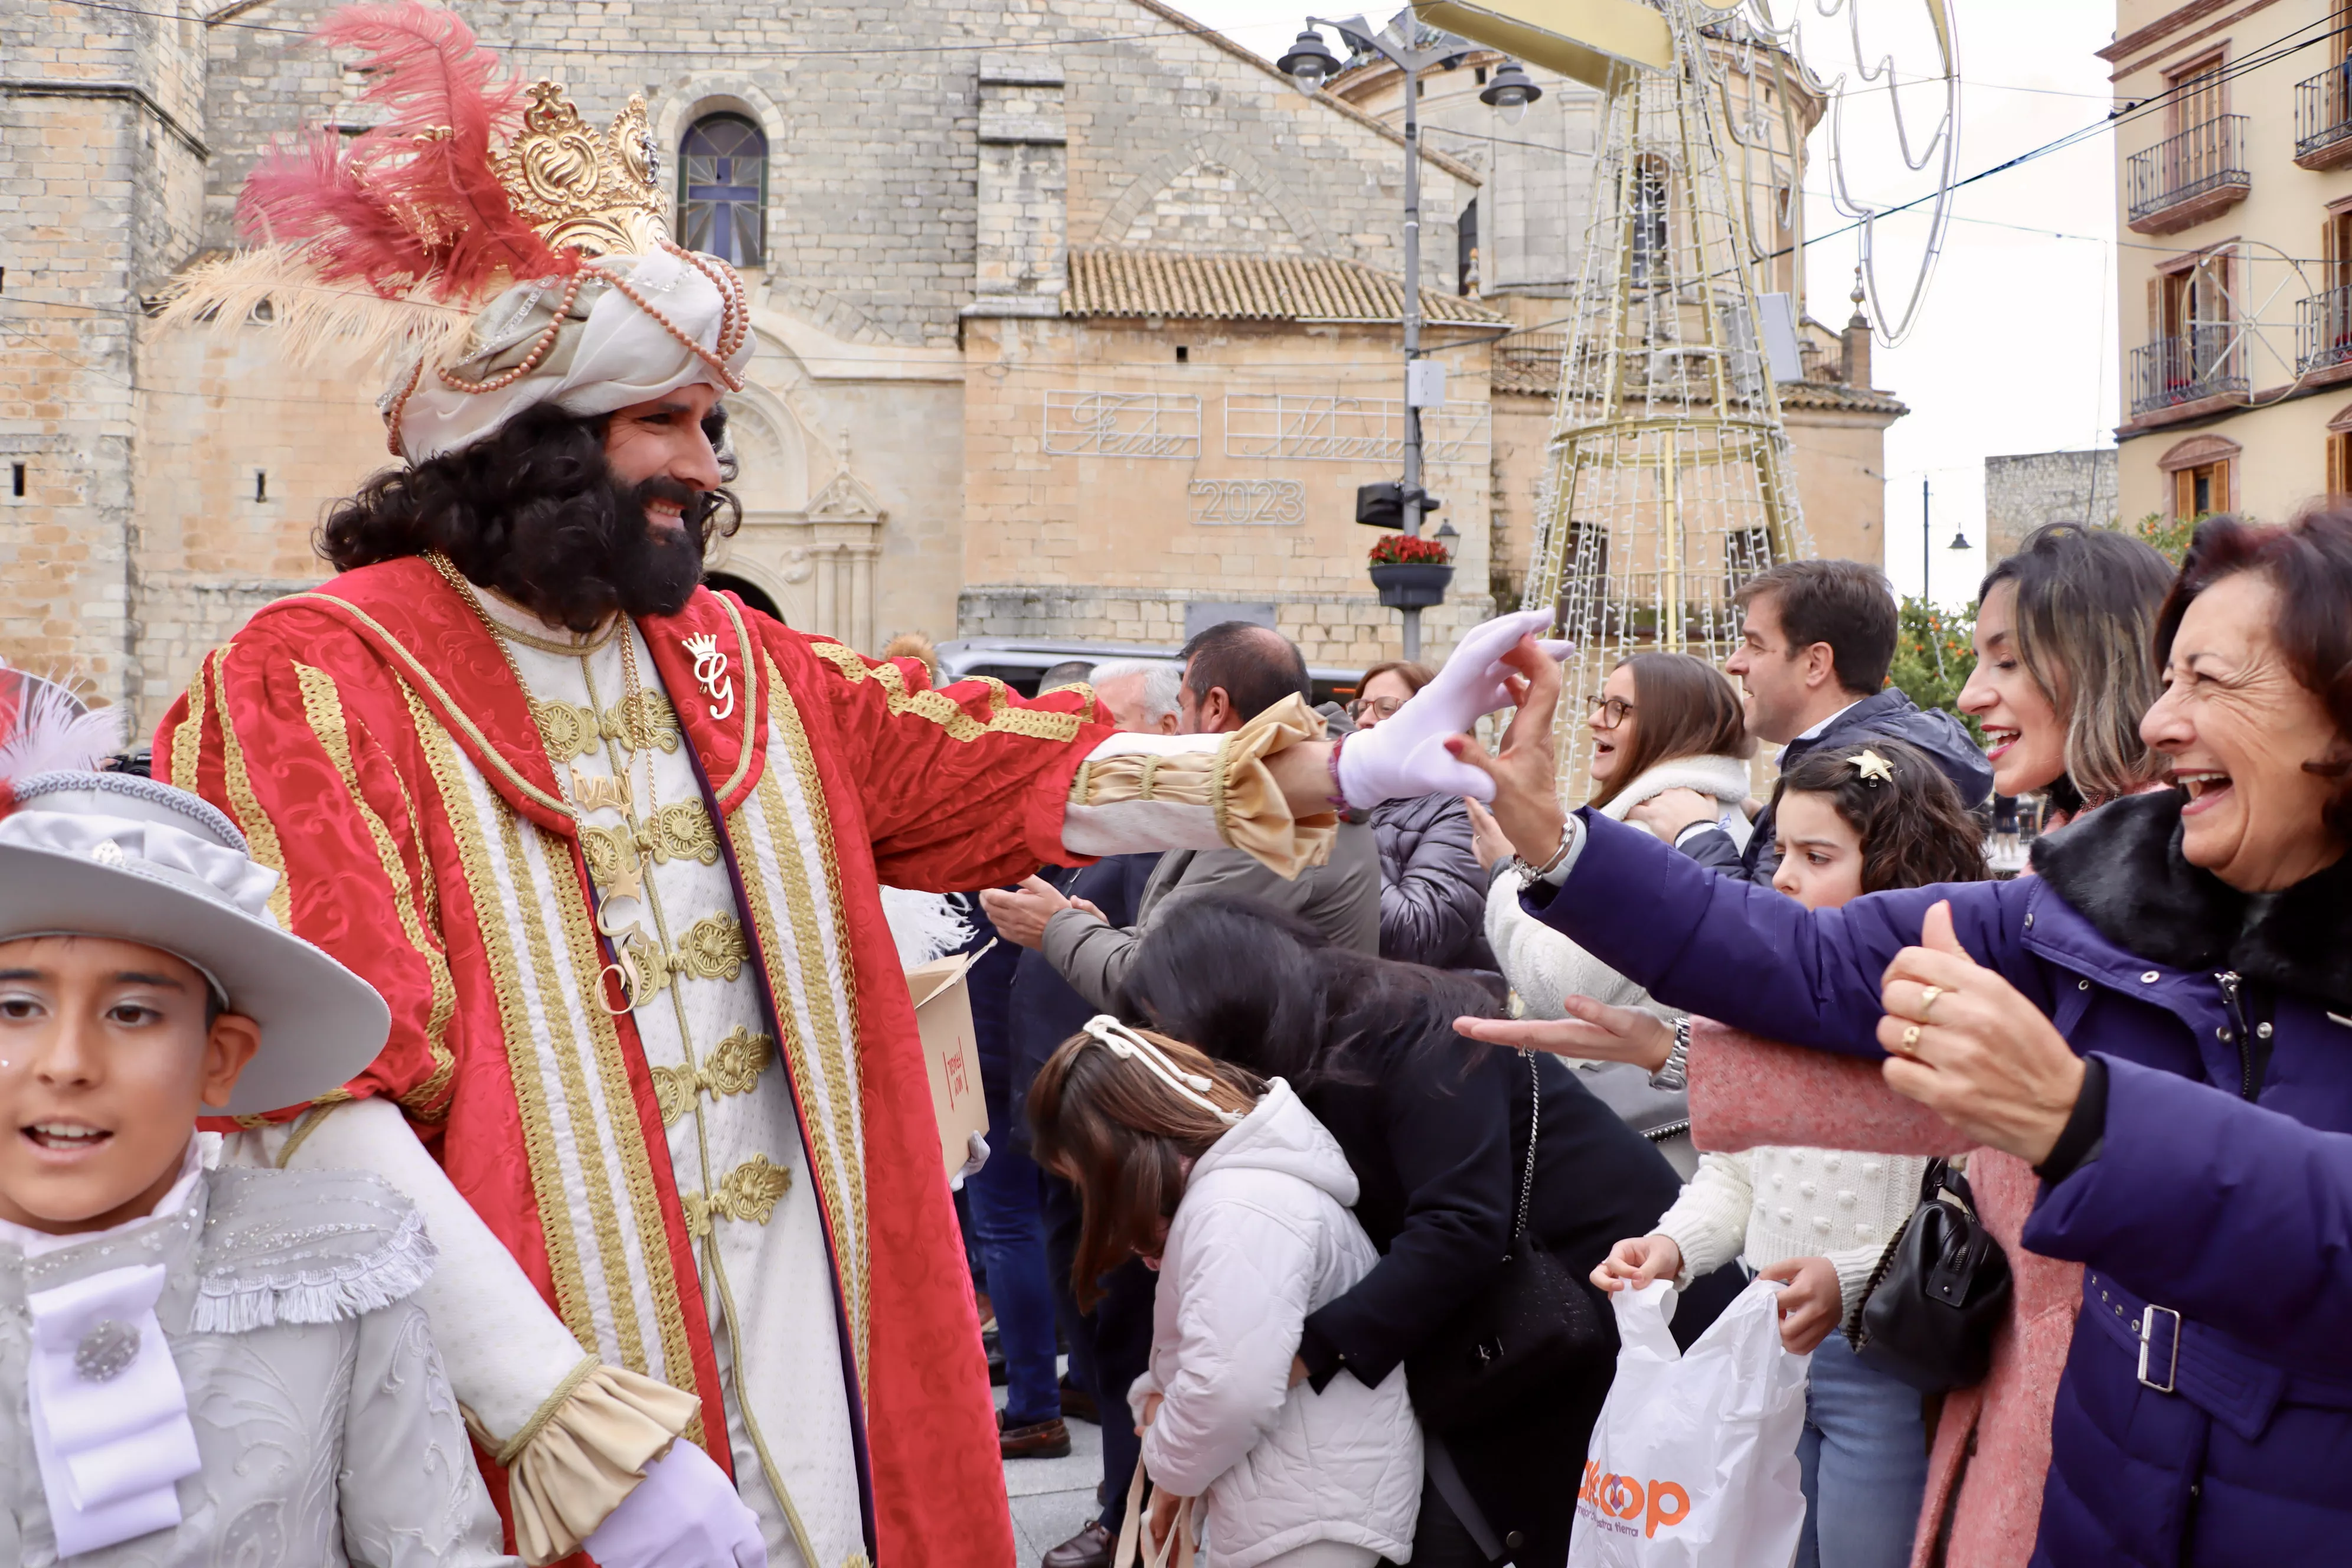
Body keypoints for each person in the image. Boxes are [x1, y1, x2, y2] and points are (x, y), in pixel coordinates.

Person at [155, 18, 1555, 1564]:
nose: (708, 461)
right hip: (506, 1414)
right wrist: (559, 1419)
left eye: (711, 421)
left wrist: (1347, 762)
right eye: (667, 423)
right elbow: (314, 1091)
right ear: (534, 446)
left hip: (807, 1381)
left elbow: (1004, 759)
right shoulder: (314, 685)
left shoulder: (749, 665)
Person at [1453, 505, 2352, 1564]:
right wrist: (1554, 838)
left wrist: (2083, 1122)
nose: (2162, 720)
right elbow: (1806, 962)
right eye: (2166, 680)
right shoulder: (2108, 897)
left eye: (2208, 681)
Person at [0, 762, 520, 1566]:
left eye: (132, 1013)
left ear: (220, 1057)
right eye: (16, 1008)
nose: (66, 1063)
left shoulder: (331, 1276)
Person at [1122, 895, 1734, 1568]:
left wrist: (1304, 1353)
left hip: (1622, 1302)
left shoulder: (1410, 1025)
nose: (1175, 1053)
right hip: (1522, 1324)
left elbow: (1460, 1228)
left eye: (1167, 1027)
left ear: (1222, 999)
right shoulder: (1307, 1045)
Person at [1579, 739, 1988, 1568]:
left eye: (1818, 856)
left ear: (1900, 870)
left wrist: (1853, 1276)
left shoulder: (1944, 1020)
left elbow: (1975, 1212)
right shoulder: (1767, 1004)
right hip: (1759, 1352)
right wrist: (1672, 1249)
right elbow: (1734, 1170)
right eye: (1780, 853)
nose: (1784, 879)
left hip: (1884, 1361)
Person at [1028, 1017, 1422, 1568]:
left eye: (1087, 1182)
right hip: (1308, 1494)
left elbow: (1228, 1393)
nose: (1091, 1203)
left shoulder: (1238, 1207)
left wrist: (1164, 1455)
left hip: (1309, 1513)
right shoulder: (1233, 1191)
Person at [984, 622, 1383, 1014]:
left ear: (1216, 708)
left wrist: (1055, 927)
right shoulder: (1257, 795)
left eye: (1183, 704)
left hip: (1271, 1074)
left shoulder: (1271, 814)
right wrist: (1092, 930)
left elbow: (1162, 985)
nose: (1175, 733)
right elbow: (1188, 950)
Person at [1643, 561, 1991, 880]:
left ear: (1815, 664)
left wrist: (1695, 832)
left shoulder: (1847, 776)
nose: (1735, 663)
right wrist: (1764, 819)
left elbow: (1765, 931)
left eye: (1756, 646)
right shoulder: (1901, 756)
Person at [1476, 651, 1755, 1021]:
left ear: (1671, 726)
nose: (1594, 719)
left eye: (1619, 708)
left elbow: (1559, 990)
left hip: (1624, 1076)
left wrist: (1504, 872)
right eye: (1601, 703)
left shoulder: (1654, 836)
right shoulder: (1708, 814)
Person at [1350, 661, 1492, 971]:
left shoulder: (1462, 808)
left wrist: (1342, 826)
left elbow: (1417, 936)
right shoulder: (1366, 801)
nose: (1364, 720)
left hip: (1431, 1013)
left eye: (1386, 708)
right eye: (1360, 708)